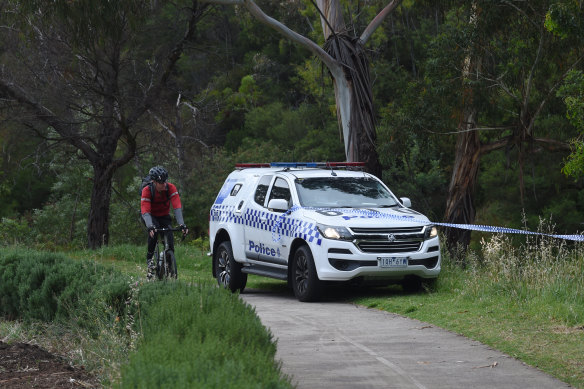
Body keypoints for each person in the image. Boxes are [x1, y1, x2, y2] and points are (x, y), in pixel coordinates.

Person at [141, 166, 188, 279]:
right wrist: (150, 226)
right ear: (154, 182)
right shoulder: (147, 190)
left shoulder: (170, 188)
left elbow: (177, 207)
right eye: (161, 182)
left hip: (164, 216)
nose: (164, 184)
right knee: (154, 233)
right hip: (150, 216)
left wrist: (182, 224)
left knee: (170, 239)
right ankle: (150, 261)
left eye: (165, 181)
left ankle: (169, 265)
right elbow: (145, 210)